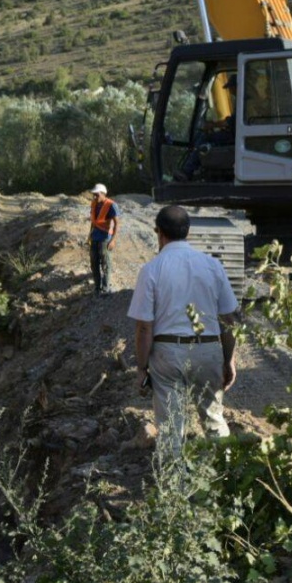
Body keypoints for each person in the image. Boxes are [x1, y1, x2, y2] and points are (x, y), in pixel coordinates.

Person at [128, 205, 239, 448]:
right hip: (208, 348)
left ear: (159, 233)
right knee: (213, 418)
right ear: (187, 231)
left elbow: (144, 327)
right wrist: (228, 359)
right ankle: (226, 476)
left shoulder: (151, 270)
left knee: (170, 426)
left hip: (168, 353)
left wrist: (141, 367)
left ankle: (172, 482)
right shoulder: (213, 266)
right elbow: (229, 320)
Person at [88, 183, 120, 294]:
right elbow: (93, 221)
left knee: (105, 263)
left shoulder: (111, 205)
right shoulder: (93, 204)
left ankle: (105, 288)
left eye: (97, 195)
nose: (95, 197)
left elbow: (117, 224)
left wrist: (113, 240)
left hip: (105, 238)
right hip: (95, 237)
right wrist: (89, 235)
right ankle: (97, 287)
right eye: (94, 195)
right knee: (94, 262)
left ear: (103, 194)